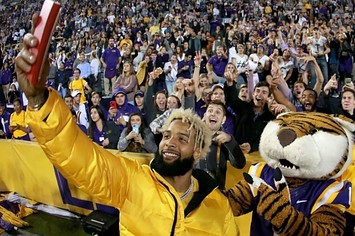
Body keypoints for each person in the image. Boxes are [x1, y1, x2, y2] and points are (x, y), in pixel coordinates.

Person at [15, 26, 239, 233]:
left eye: (182, 139)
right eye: (167, 135)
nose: (169, 142)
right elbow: (82, 162)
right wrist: (38, 101)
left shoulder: (218, 207)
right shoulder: (133, 181)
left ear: (198, 151)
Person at [196, 100, 246, 190]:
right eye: (210, 111)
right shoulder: (194, 136)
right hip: (191, 191)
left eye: (218, 112)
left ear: (223, 119)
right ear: (204, 115)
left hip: (215, 195)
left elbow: (239, 164)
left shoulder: (226, 140)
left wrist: (230, 141)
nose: (213, 114)